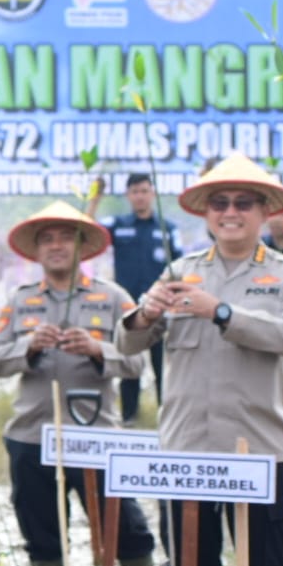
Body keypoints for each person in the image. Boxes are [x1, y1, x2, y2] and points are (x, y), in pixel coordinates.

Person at [118, 155, 283, 566]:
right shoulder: (179, 268)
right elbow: (129, 344)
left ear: (263, 213)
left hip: (260, 450)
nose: (230, 213)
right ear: (205, 213)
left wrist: (221, 310)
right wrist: (143, 314)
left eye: (243, 203)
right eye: (220, 203)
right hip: (187, 451)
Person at [0, 200, 158, 566]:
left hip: (97, 437)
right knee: (42, 531)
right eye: (48, 239)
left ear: (83, 247)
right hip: (32, 435)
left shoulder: (113, 297)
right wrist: (28, 346)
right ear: (37, 250)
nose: (57, 246)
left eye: (66, 237)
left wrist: (98, 349)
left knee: (127, 529)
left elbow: (137, 363)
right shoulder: (20, 300)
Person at [102, 172, 181, 423]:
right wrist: (94, 197)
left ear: (153, 194)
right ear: (128, 195)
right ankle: (128, 417)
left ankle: (165, 417)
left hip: (160, 307)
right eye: (135, 191)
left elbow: (180, 267)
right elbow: (85, 232)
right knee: (129, 363)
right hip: (127, 308)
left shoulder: (168, 229)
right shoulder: (118, 224)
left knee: (163, 366)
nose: (140, 196)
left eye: (144, 191)